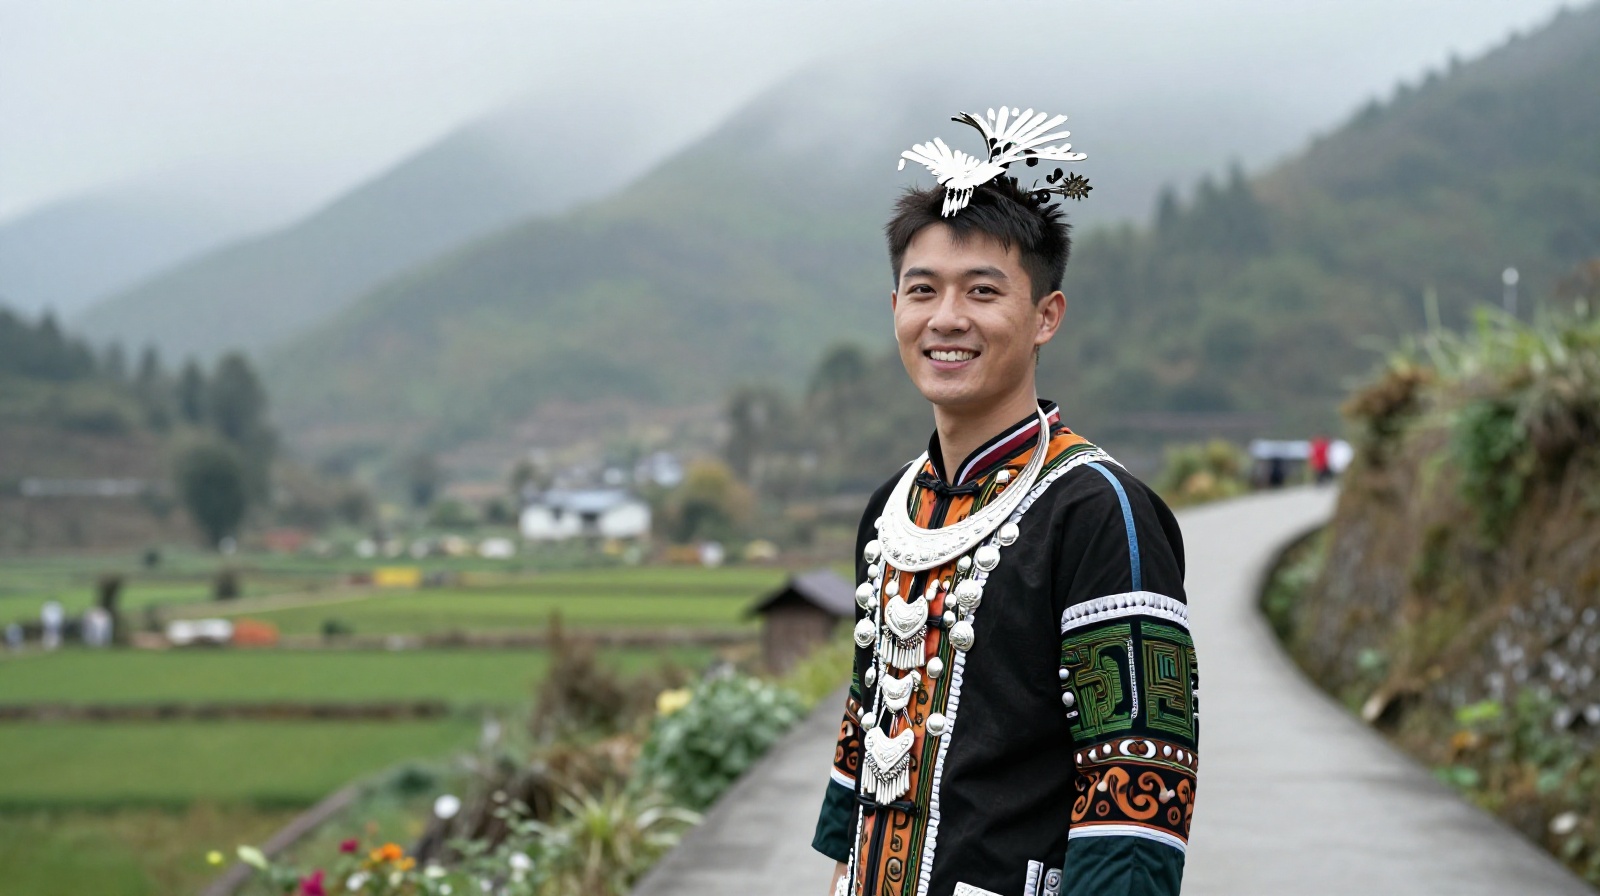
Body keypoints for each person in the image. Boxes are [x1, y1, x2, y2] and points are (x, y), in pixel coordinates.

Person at [813, 107, 1198, 896]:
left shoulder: (1101, 513)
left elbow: (1138, 784)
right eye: (923, 290)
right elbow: (865, 743)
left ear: (1044, 316)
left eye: (982, 291)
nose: (947, 318)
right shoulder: (893, 509)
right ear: (895, 311)